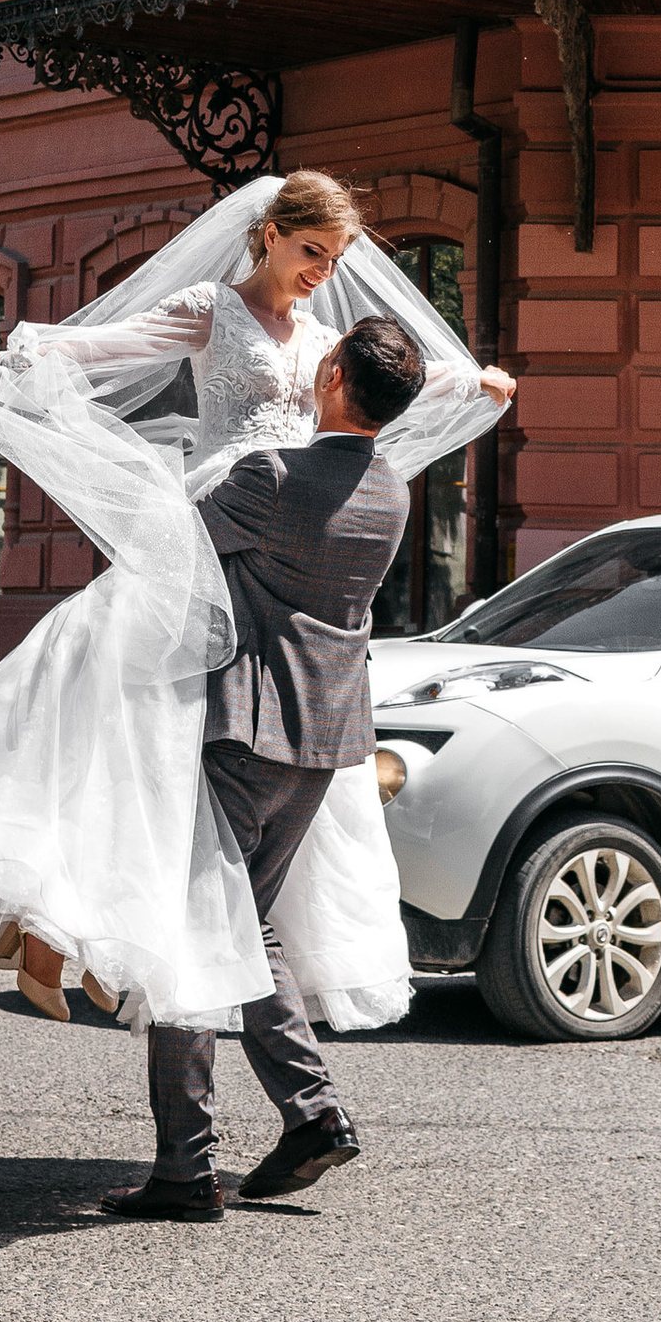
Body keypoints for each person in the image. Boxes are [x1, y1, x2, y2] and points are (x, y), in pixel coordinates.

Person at [0, 169, 508, 1039]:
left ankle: (114, 943)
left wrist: (477, 384)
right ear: (270, 233)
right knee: (124, 728)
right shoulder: (213, 310)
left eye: (336, 258)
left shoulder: (324, 340)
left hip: (277, 549)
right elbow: (104, 348)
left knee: (201, 766)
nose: (323, 271)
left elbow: (393, 387)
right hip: (207, 530)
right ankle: (55, 931)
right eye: (312, 251)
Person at [103, 308, 423, 1220]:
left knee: (197, 935)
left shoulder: (270, 476)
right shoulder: (394, 491)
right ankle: (311, 1115)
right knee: (251, 929)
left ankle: (184, 1170)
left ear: (331, 381)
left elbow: (169, 546)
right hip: (325, 742)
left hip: (246, 731)